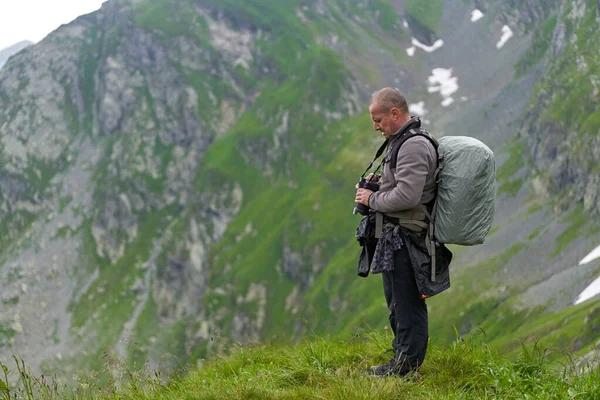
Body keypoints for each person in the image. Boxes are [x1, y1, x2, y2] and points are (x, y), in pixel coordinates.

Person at [354, 87, 441, 378]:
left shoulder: (413, 145)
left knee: (407, 305)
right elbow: (401, 185)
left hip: (407, 238)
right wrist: (378, 182)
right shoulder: (400, 142)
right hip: (396, 238)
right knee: (397, 304)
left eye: (378, 120)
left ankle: (405, 369)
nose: (376, 127)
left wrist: (371, 199)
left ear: (394, 113)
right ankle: (401, 361)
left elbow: (408, 197)